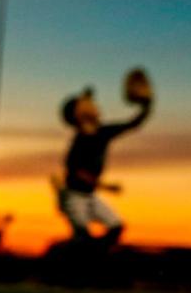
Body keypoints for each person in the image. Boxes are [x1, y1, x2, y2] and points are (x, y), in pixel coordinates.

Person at [55, 71, 153, 246]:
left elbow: (133, 123)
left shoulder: (103, 133)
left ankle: (92, 259)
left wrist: (147, 105)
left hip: (89, 195)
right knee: (82, 237)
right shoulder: (79, 143)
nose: (94, 105)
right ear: (78, 114)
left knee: (116, 227)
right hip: (74, 196)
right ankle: (75, 263)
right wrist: (106, 186)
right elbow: (76, 173)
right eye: (88, 103)